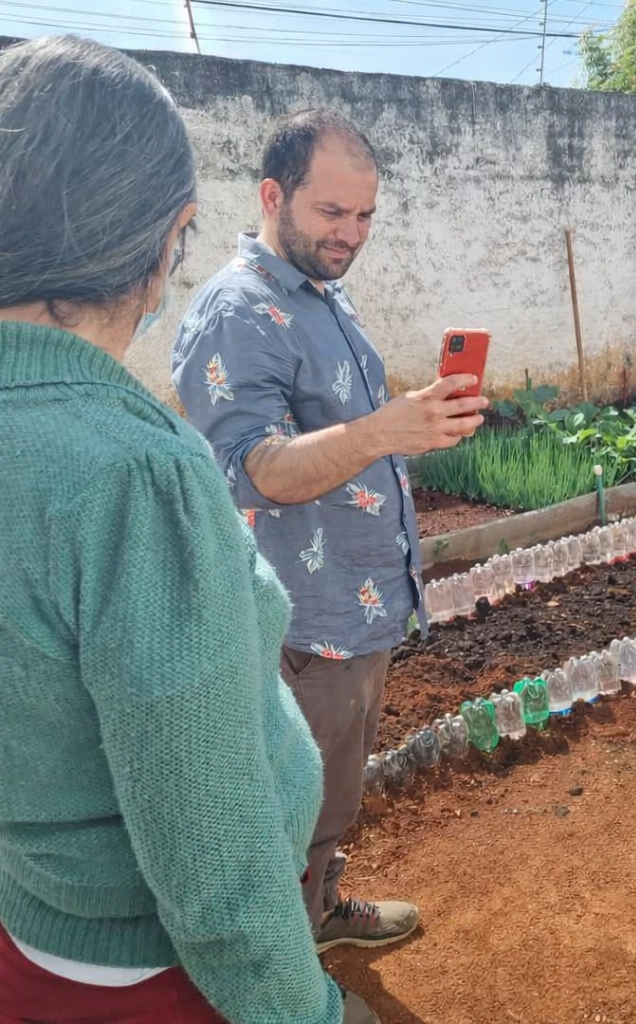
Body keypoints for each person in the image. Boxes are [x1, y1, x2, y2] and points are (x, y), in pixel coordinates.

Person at [0, 37, 373, 1024]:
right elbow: (213, 861)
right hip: (154, 973)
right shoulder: (135, 471)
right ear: (168, 235)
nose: (349, 231)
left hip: (35, 924)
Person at [173, 108, 487, 952]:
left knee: (327, 797)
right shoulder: (238, 310)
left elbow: (339, 435)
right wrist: (384, 430)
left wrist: (410, 425)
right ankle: (272, 976)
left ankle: (314, 919)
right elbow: (252, 469)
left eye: (365, 214)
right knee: (279, 810)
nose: (351, 232)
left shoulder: (318, 293)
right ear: (273, 196)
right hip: (302, 624)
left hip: (354, 606)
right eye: (332, 211)